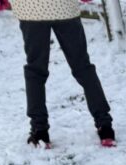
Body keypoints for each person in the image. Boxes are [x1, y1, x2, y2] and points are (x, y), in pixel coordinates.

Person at [12, 0, 115, 148]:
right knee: (83, 67)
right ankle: (105, 126)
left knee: (35, 71)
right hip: (64, 8)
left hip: (30, 10)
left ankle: (39, 131)